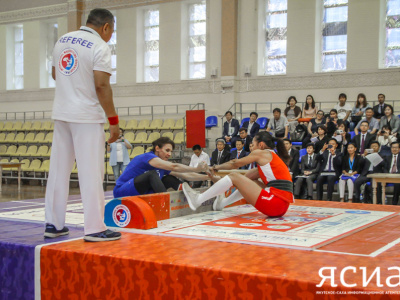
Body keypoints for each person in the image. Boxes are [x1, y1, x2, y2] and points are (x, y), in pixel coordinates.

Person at [44, 9, 122, 242]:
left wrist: (73, 88)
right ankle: (95, 228)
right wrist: (113, 120)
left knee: (58, 171)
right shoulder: (99, 46)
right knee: (91, 172)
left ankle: (54, 224)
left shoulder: (62, 40)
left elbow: (56, 74)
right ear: (105, 27)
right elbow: (101, 85)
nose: (110, 35)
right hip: (86, 116)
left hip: (62, 113)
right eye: (112, 31)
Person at [182, 132, 294, 217]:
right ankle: (222, 203)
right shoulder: (272, 159)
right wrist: (214, 176)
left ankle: (198, 200)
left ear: (260, 145)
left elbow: (235, 164)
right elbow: (244, 180)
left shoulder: (261, 153)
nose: (251, 148)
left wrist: (215, 167)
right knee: (247, 180)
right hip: (281, 208)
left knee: (234, 175)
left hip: (274, 204)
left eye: (253, 145)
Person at [113, 137, 210, 198]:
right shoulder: (148, 157)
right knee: (152, 174)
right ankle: (165, 202)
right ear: (157, 148)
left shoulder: (162, 164)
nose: (169, 154)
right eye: (167, 150)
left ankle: (187, 193)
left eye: (171, 151)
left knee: (168, 178)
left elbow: (185, 175)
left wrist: (207, 177)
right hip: (122, 191)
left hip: (140, 192)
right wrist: (197, 169)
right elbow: (174, 166)